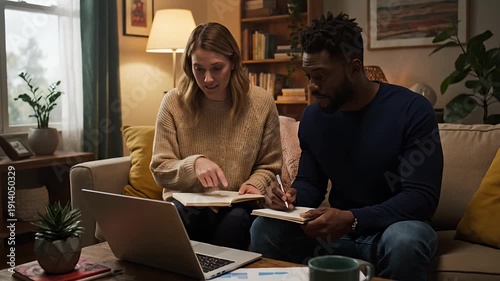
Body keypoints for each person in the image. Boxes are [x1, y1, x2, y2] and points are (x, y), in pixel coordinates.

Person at [250, 12, 443, 281]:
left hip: (393, 229)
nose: (312, 86)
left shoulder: (412, 110)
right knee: (265, 226)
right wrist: (288, 198)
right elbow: (311, 184)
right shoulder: (315, 117)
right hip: (336, 236)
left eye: (321, 76)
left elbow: (421, 199)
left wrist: (353, 218)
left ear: (354, 68)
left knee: (407, 240)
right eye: (308, 75)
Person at [150, 22, 282, 250]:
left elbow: (270, 165)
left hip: (236, 206)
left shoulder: (261, 103)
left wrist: (255, 184)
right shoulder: (173, 102)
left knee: (236, 222)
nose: (208, 79)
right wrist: (194, 165)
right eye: (198, 69)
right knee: (176, 219)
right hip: (185, 204)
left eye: (216, 68)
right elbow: (160, 168)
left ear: (233, 63)